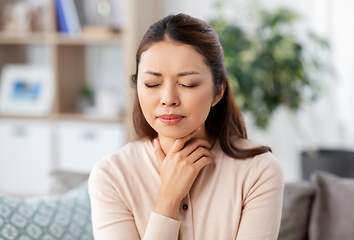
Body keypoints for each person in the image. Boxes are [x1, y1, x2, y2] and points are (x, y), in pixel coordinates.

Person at [89, 13, 284, 240]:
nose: (168, 99)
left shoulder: (258, 171)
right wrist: (168, 199)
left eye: (187, 84)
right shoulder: (111, 176)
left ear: (218, 91)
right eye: (152, 84)